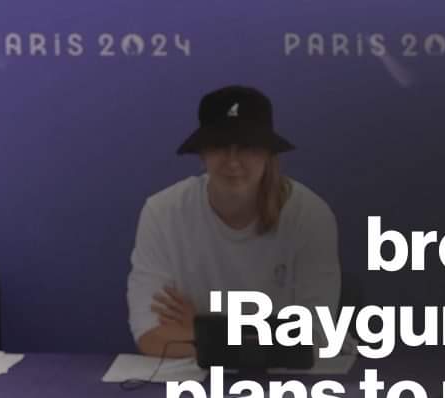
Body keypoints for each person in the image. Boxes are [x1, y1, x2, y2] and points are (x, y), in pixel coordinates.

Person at [127, 85, 341, 358]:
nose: (233, 161)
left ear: (267, 154)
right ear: (202, 153)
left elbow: (314, 337)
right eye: (220, 146)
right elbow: (151, 336)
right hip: (197, 381)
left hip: (292, 380)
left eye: (247, 147)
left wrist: (200, 330)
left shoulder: (309, 215)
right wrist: (257, 341)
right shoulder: (162, 212)